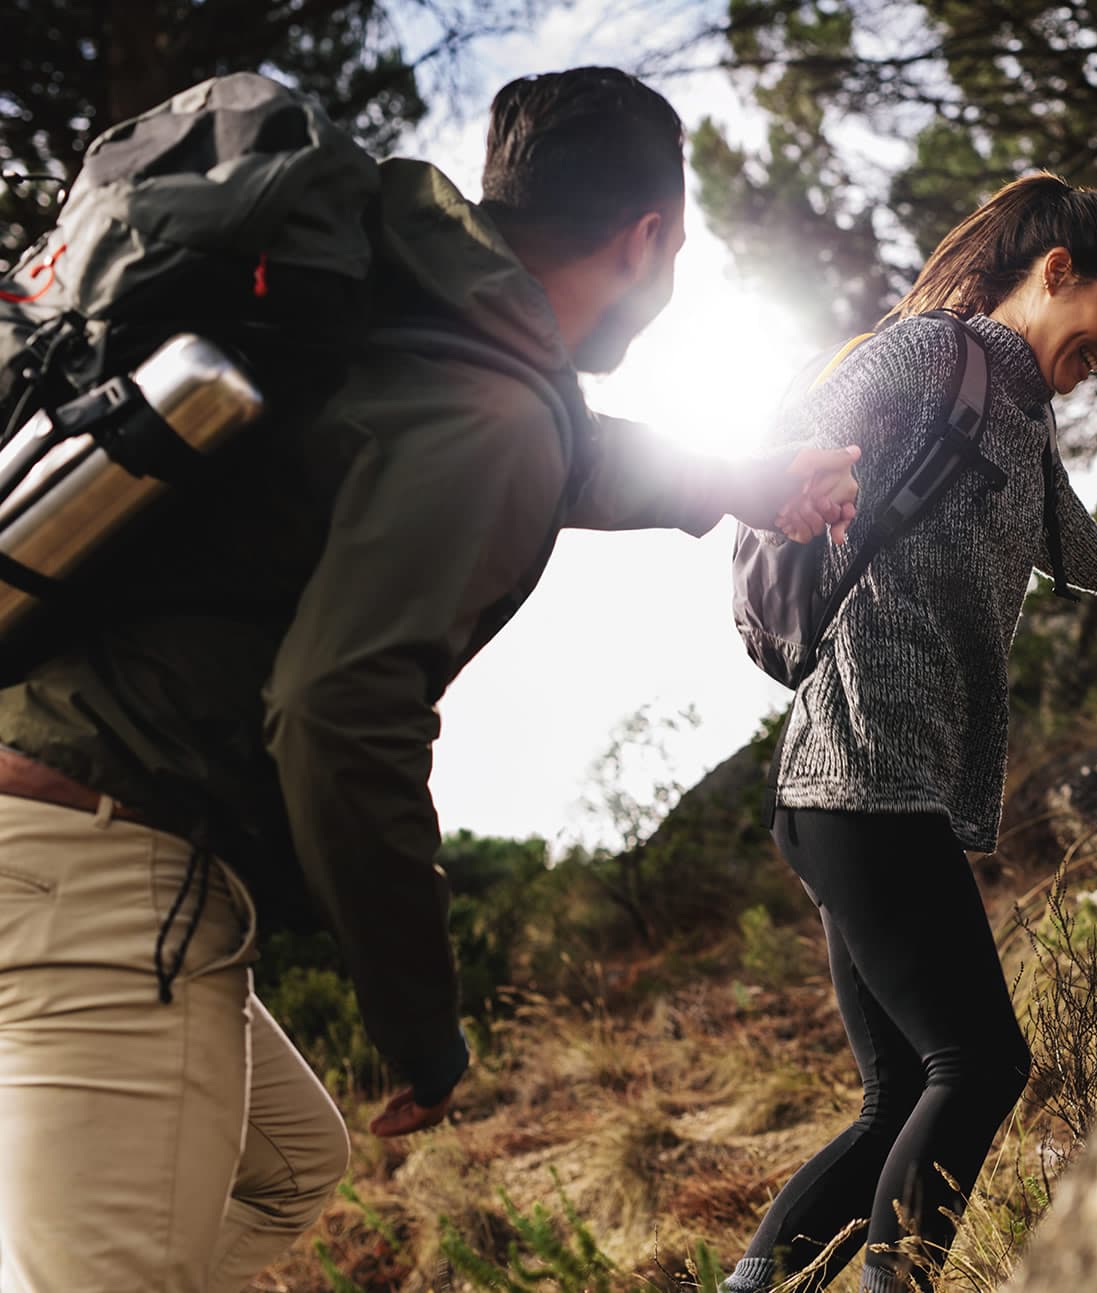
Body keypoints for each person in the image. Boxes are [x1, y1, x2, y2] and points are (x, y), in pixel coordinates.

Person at [0, 68, 859, 1292]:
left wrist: (739, 478)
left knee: (291, 1163)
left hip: (38, 827)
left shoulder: (397, 309)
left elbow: (545, 450)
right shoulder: (489, 394)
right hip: (107, 877)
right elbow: (337, 714)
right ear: (651, 240)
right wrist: (421, 1026)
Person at [722, 173, 1097, 1293]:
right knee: (981, 1063)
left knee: (900, 1097)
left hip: (871, 789)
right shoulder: (933, 354)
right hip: (858, 770)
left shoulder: (1016, 409)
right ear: (1056, 273)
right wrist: (804, 490)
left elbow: (1069, 544)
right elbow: (792, 449)